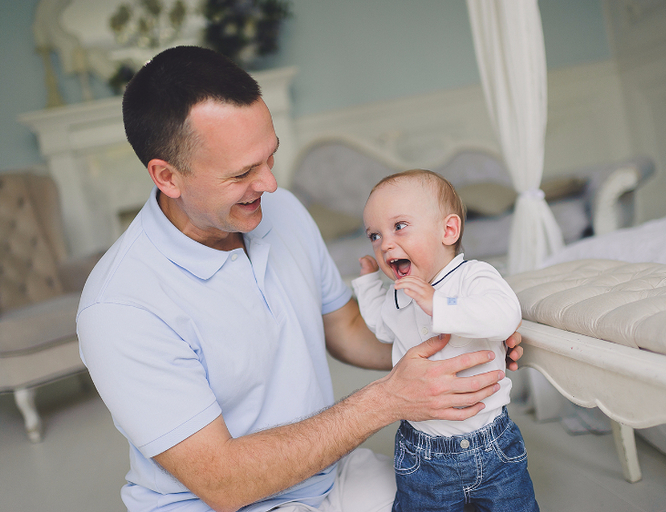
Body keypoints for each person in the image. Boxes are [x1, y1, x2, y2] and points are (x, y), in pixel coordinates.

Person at [76, 46, 524, 512]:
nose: (269, 184)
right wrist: (388, 400)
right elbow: (224, 482)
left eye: (269, 158)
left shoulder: (281, 209)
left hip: (327, 473)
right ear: (167, 177)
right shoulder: (119, 307)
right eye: (243, 173)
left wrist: (459, 341)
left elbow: (346, 327)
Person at [352, 169, 539, 512]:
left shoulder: (473, 277)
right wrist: (367, 285)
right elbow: (382, 326)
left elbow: (504, 315)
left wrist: (438, 304)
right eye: (374, 236)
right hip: (423, 454)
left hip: (492, 442)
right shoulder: (400, 294)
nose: (385, 244)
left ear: (448, 231)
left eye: (399, 226)